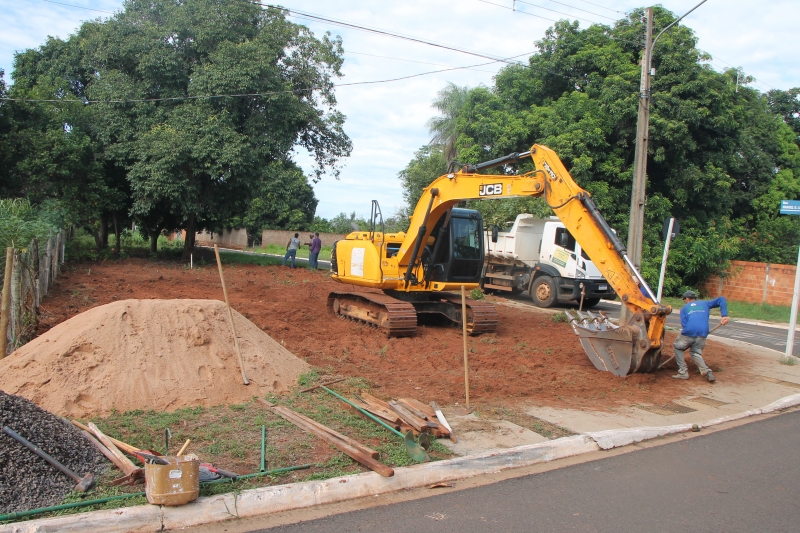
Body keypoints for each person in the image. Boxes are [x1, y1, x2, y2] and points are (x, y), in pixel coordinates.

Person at [672, 290, 729, 382]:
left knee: (677, 347)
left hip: (689, 331)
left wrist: (688, 338)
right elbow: (721, 299)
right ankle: (707, 371)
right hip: (703, 332)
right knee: (695, 352)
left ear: (687, 299)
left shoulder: (684, 308)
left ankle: (683, 372)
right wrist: (724, 316)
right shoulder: (705, 303)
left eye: (685, 300)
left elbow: (684, 324)